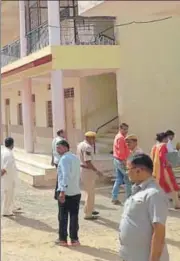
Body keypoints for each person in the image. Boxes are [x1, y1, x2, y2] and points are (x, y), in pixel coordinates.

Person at [119, 153, 169, 261]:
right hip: (131, 255)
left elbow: (159, 232)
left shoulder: (154, 194)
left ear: (138, 170)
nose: (127, 173)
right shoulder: (138, 190)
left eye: (128, 169)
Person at [55, 140, 81, 246]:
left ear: (66, 148)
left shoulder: (64, 159)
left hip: (66, 191)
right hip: (76, 191)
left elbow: (65, 175)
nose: (57, 150)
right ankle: (74, 239)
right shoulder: (75, 158)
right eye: (57, 148)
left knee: (63, 216)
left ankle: (63, 239)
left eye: (59, 147)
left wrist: (62, 191)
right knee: (74, 216)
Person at [77, 131, 102, 220]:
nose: (94, 140)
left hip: (83, 169)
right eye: (93, 138)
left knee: (90, 191)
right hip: (88, 171)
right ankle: (88, 214)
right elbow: (88, 161)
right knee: (90, 193)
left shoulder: (80, 144)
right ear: (89, 138)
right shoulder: (87, 147)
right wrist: (96, 171)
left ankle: (90, 208)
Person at [151, 132, 180, 209]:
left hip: (156, 170)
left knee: (159, 187)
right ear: (164, 138)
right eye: (167, 138)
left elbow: (153, 158)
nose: (168, 140)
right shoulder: (163, 146)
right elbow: (162, 157)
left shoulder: (154, 147)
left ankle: (157, 205)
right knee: (172, 185)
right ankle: (177, 204)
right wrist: (168, 163)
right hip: (164, 169)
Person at [112, 123, 130, 204]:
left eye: (127, 129)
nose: (126, 131)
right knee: (128, 179)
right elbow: (121, 151)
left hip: (117, 159)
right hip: (120, 160)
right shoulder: (121, 138)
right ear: (120, 129)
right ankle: (129, 197)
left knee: (119, 179)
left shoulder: (118, 136)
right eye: (124, 129)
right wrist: (124, 161)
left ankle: (114, 197)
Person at [1, 137, 20, 217]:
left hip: (9, 177)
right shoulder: (8, 153)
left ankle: (12, 207)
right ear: (12, 144)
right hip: (7, 178)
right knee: (8, 194)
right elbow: (6, 167)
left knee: (11, 193)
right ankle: (6, 211)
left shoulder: (4, 151)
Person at [51, 129, 66, 200]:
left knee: (59, 177)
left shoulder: (54, 140)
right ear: (60, 133)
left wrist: (52, 160)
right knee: (61, 178)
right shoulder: (62, 141)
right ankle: (58, 194)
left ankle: (56, 194)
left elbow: (52, 150)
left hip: (56, 160)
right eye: (63, 133)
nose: (64, 134)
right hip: (60, 160)